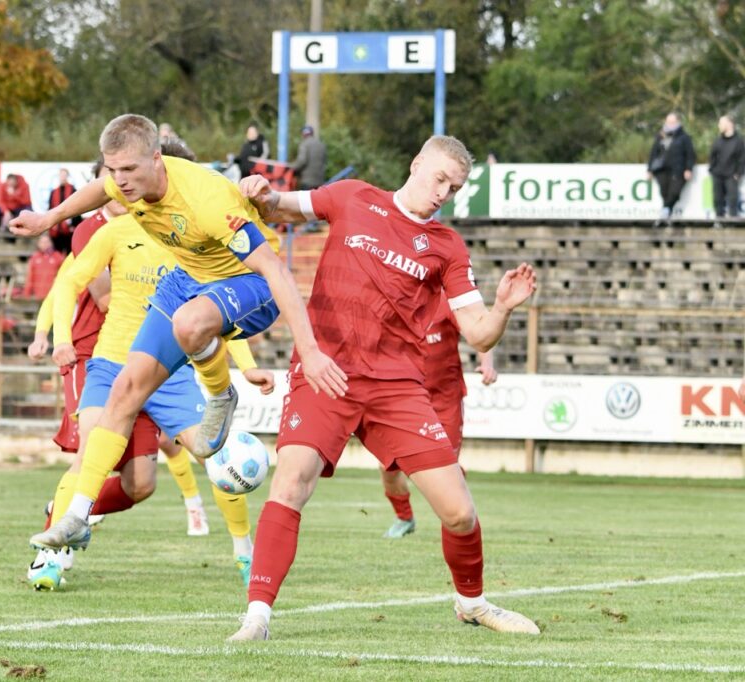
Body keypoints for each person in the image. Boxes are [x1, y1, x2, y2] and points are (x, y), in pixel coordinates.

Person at [229, 135, 540, 642]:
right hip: (325, 370)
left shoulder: (446, 246)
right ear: (416, 163)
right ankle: (257, 617)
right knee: (290, 482)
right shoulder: (352, 196)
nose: (444, 192)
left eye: (454, 187)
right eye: (439, 178)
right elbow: (281, 208)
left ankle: (472, 602)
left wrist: (504, 306)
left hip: (396, 385)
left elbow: (479, 332)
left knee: (459, 512)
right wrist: (260, 191)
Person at [9, 113, 344, 553]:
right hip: (188, 280)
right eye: (113, 169)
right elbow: (97, 191)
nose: (120, 181)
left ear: (156, 159)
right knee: (125, 390)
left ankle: (222, 394)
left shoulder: (205, 198)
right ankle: (77, 516)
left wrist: (311, 351)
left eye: (129, 170)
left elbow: (276, 272)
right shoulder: (123, 184)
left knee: (189, 322)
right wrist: (48, 218)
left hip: (249, 284)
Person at [27, 145, 275, 588]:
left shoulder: (198, 233)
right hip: (112, 362)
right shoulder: (116, 231)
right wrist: (56, 337)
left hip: (172, 372)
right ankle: (53, 551)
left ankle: (244, 551)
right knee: (88, 458)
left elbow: (216, 313)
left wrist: (248, 364)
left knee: (173, 470)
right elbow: (68, 281)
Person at [382, 293, 497, 539]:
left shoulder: (446, 303)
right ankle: (404, 518)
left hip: (446, 399)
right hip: (405, 397)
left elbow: (479, 331)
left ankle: (460, 521)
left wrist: (487, 364)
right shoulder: (395, 299)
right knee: (388, 468)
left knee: (447, 468)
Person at [647, 112, 696, 225]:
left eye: (672, 122)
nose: (670, 124)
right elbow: (653, 153)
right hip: (662, 170)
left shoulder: (684, 137)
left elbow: (690, 154)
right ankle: (666, 216)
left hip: (678, 170)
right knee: (664, 193)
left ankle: (665, 213)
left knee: (674, 192)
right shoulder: (660, 136)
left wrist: (689, 168)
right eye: (668, 122)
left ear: (678, 122)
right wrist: (649, 169)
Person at [709, 115, 745, 223]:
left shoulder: (739, 141)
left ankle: (733, 221)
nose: (719, 126)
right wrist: (712, 169)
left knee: (733, 199)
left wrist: (738, 173)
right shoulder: (718, 141)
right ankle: (719, 221)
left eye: (721, 123)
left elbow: (742, 159)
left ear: (730, 124)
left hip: (731, 175)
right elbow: (712, 156)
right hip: (718, 174)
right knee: (717, 199)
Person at [47, 168, 81, 254]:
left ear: (67, 176)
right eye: (61, 175)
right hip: (57, 229)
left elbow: (78, 208)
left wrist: (74, 224)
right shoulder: (54, 192)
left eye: (64, 175)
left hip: (69, 229)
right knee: (57, 253)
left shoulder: (73, 190)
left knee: (70, 253)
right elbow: (50, 209)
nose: (62, 177)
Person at [21, 234, 65, 300]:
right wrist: (26, 294)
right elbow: (30, 277)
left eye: (46, 242)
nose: (44, 244)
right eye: (42, 242)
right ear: (38, 244)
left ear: (51, 243)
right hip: (37, 296)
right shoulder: (34, 257)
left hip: (53, 296)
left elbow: (64, 274)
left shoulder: (58, 257)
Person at [291, 125, 327, 191]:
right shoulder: (321, 144)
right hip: (320, 182)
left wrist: (291, 168)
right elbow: (324, 162)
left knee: (306, 200)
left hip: (307, 182)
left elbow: (301, 161)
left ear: (303, 134)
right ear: (312, 133)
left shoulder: (304, 144)